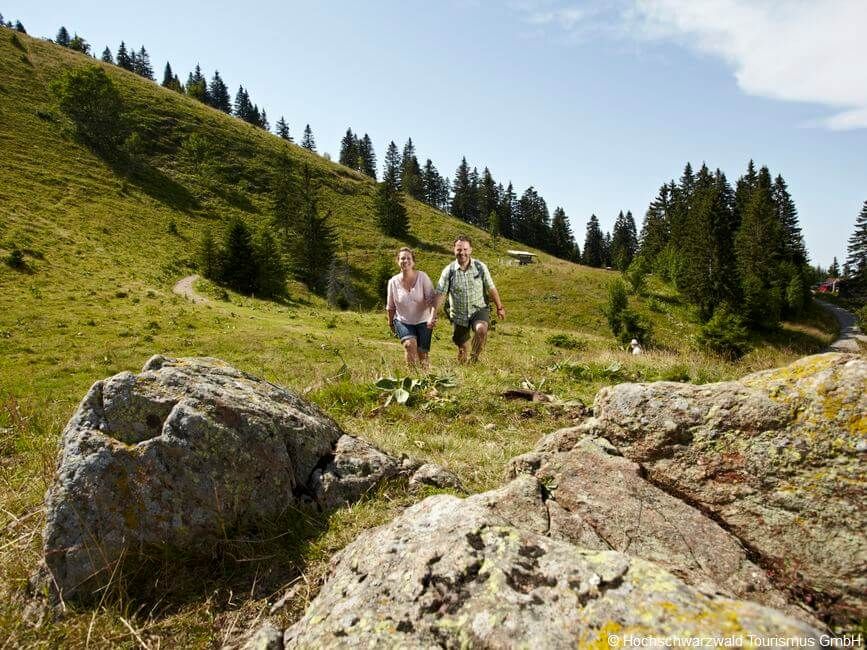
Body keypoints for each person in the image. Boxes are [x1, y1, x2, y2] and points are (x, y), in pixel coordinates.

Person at [434, 236, 505, 363]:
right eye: (459, 249)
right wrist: (432, 315)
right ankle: (464, 362)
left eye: (465, 249)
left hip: (479, 309)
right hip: (458, 314)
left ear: (470, 250)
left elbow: (491, 288)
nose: (462, 253)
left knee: (481, 329)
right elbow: (440, 295)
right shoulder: (448, 271)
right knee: (462, 348)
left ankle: (475, 358)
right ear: (454, 250)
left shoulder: (480, 267)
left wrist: (500, 307)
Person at [386, 247, 436, 368]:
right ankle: (411, 378)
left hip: (424, 321)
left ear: (413, 262)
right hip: (403, 321)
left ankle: (425, 380)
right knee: (409, 345)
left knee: (422, 354)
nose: (405, 260)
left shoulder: (423, 277)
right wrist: (391, 324)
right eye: (402, 258)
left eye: (409, 258)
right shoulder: (393, 282)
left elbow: (432, 301)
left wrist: (432, 317)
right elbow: (391, 306)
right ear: (398, 261)